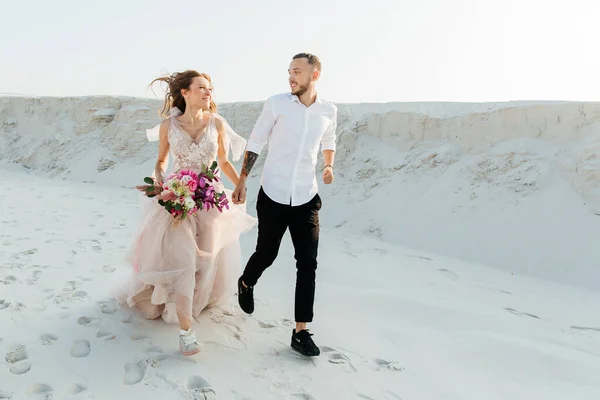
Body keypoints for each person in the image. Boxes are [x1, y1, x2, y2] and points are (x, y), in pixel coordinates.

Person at [115, 70, 257, 356]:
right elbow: (161, 161)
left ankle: (191, 302)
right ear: (186, 92)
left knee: (204, 260)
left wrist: (240, 182)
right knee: (181, 257)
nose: (208, 93)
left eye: (210, 89)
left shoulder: (216, 123)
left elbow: (223, 161)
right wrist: (159, 181)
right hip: (177, 196)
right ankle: (185, 331)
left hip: (209, 197)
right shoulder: (168, 126)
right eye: (202, 88)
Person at [231, 53, 337, 357]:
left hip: (306, 197)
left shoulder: (328, 110)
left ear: (314, 76)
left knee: (307, 263)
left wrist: (328, 166)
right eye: (289, 71)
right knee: (267, 252)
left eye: (297, 72)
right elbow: (256, 141)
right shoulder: (276, 103)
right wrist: (242, 180)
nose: (291, 77)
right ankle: (246, 282)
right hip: (274, 193)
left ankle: (301, 331)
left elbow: (329, 141)